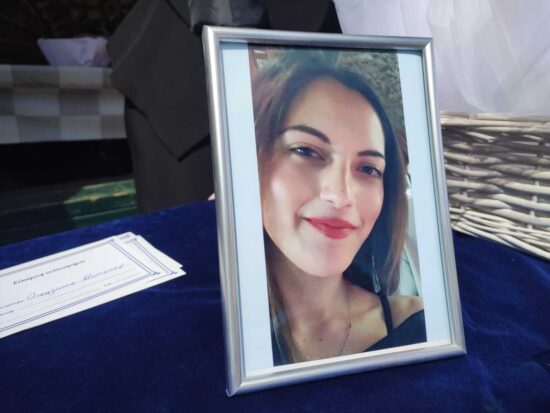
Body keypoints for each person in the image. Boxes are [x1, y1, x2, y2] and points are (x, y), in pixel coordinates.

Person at [251, 50, 426, 365]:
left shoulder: (421, 326)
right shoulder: (200, 329)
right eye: (306, 151)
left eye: (369, 169)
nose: (341, 195)